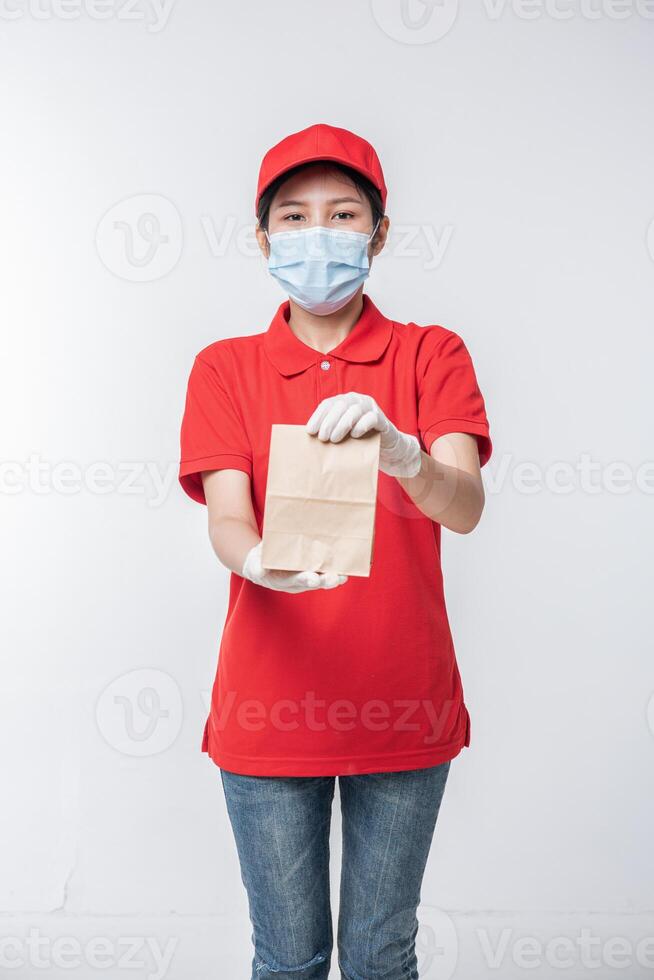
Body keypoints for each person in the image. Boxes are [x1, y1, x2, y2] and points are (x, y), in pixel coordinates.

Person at [178, 123, 493, 980]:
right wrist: (255, 564)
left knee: (382, 957)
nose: (318, 234)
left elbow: (463, 508)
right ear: (262, 236)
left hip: (403, 701)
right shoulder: (225, 368)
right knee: (287, 959)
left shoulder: (433, 353)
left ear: (379, 234)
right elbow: (226, 520)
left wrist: (405, 454)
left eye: (344, 214)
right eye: (293, 216)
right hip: (269, 710)